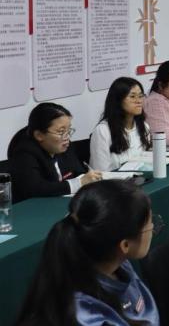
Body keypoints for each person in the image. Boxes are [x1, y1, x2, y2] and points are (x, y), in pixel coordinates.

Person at [15, 180, 161, 326]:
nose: (153, 228)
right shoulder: (86, 315)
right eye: (149, 225)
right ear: (125, 245)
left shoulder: (119, 266)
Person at [7, 103, 102, 202]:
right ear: (39, 135)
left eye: (68, 130)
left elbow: (78, 172)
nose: (67, 137)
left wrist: (89, 178)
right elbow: (35, 189)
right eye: (61, 132)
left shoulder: (64, 145)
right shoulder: (24, 153)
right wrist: (77, 183)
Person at [90, 77, 152, 171]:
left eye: (140, 96)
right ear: (118, 100)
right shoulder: (103, 131)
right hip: (113, 180)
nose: (139, 101)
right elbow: (101, 172)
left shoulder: (144, 127)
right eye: (132, 96)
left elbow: (149, 160)